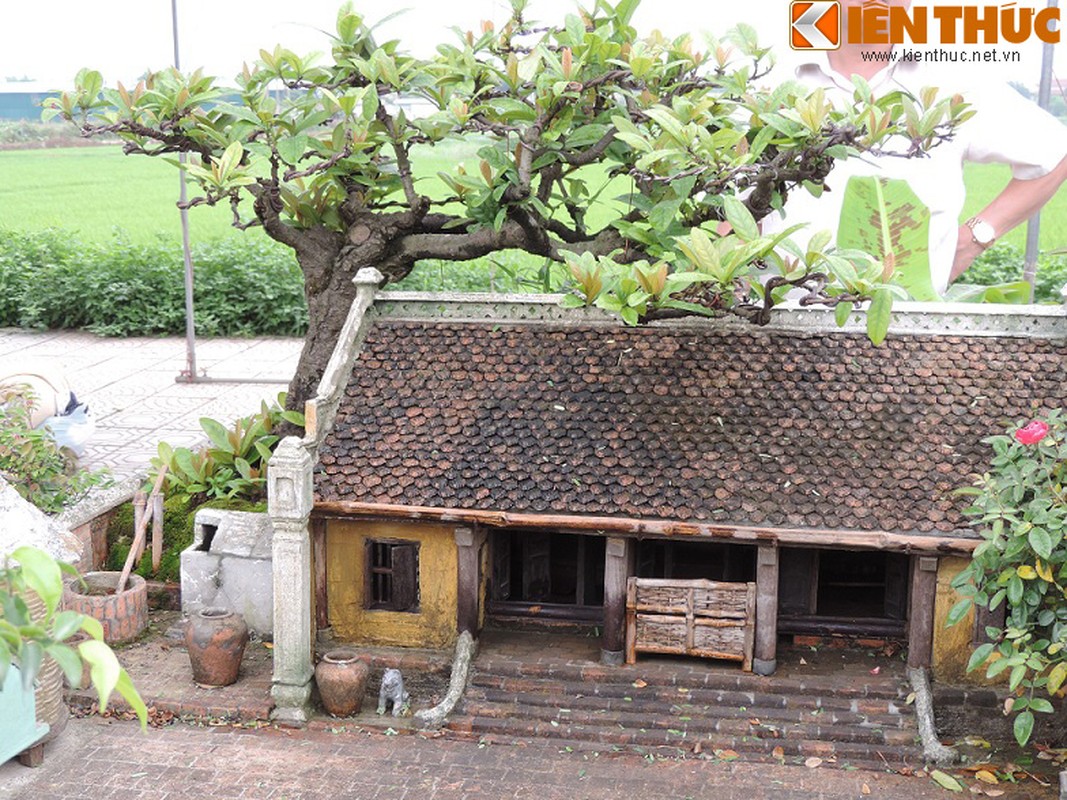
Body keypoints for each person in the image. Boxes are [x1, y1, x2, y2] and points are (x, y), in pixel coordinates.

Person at [767, 0, 1067, 297]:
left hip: (908, 327)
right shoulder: (768, 72)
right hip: (765, 324)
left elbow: (1055, 152)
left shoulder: (951, 79)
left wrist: (972, 240)